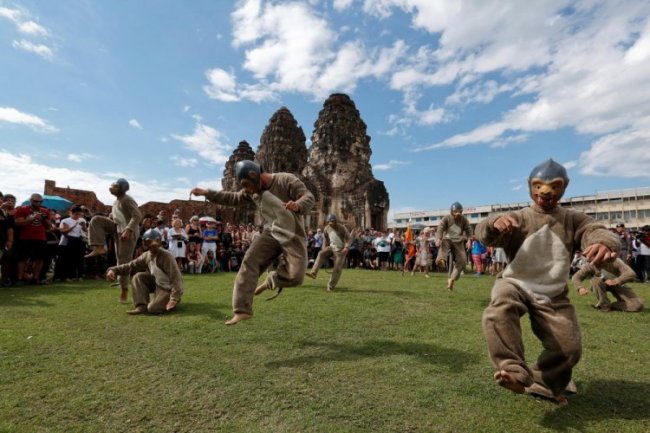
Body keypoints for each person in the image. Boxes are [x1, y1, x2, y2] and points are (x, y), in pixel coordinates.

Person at [476, 159, 620, 405]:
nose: (546, 192)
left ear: (564, 187)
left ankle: (542, 382)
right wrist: (493, 223)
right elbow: (483, 232)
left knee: (569, 348)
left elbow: (595, 230)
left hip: (553, 294)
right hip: (516, 282)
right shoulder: (518, 217)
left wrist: (602, 242)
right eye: (539, 185)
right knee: (500, 305)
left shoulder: (572, 218)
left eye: (555, 186)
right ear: (530, 187)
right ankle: (512, 370)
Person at [190, 160, 315, 325]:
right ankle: (242, 310)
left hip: (293, 235)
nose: (247, 191)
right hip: (271, 233)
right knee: (249, 261)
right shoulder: (251, 192)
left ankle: (271, 280)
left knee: (296, 277)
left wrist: (298, 205)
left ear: (257, 177)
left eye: (248, 185)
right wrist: (207, 193)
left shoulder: (285, 179)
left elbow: (309, 196)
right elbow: (233, 197)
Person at [85, 178, 142, 303]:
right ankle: (99, 247)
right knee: (96, 220)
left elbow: (137, 215)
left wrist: (128, 230)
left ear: (122, 188)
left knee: (122, 260)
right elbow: (115, 216)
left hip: (127, 232)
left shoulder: (127, 199)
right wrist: (107, 219)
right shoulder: (116, 201)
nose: (111, 187)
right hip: (116, 228)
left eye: (115, 186)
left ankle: (124, 289)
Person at [105, 229, 183, 315]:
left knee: (153, 308)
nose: (153, 244)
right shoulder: (146, 255)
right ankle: (141, 306)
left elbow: (176, 278)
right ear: (145, 243)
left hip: (168, 288)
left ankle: (170, 301)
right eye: (150, 242)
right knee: (138, 277)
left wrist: (174, 298)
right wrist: (113, 270)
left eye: (156, 241)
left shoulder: (166, 256)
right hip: (157, 284)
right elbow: (130, 266)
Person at [572, 258, 644, 312]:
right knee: (595, 280)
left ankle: (613, 306)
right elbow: (576, 277)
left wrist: (617, 280)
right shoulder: (589, 265)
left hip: (618, 284)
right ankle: (604, 305)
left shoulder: (614, 261)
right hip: (600, 284)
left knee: (637, 306)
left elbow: (631, 273)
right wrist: (580, 288)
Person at [13, 193, 52, 285]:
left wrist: (43, 219)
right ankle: (19, 278)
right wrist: (30, 219)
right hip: (25, 237)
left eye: (40, 201)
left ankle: (36, 278)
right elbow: (17, 223)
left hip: (40, 238)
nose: (38, 203)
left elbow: (49, 227)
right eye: (35, 201)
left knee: (39, 259)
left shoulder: (45, 211)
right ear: (31, 200)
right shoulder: (22, 209)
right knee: (22, 259)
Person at [306, 213, 350, 291]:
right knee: (321, 253)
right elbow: (325, 240)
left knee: (337, 268)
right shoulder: (327, 229)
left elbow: (348, 238)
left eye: (332, 221)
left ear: (335, 221)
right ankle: (313, 273)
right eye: (329, 221)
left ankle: (331, 286)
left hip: (341, 250)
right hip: (331, 248)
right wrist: (324, 249)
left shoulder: (342, 228)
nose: (331, 223)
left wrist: (346, 247)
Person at [435, 202, 472, 291]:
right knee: (444, 244)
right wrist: (438, 238)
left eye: (459, 213)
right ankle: (441, 260)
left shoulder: (464, 220)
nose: (457, 215)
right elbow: (440, 228)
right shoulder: (446, 218)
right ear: (452, 212)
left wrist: (469, 240)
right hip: (447, 238)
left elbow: (469, 229)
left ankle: (452, 279)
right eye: (455, 213)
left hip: (458, 241)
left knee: (463, 261)